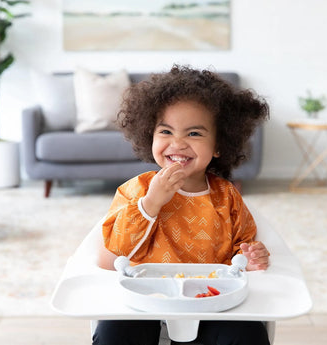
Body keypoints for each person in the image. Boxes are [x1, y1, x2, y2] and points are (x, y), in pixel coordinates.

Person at [93, 65, 270, 345]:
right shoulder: (135, 190)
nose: (177, 143)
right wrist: (150, 203)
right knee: (113, 334)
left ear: (219, 145)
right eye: (165, 131)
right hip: (143, 301)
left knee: (248, 335)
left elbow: (240, 252)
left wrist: (251, 258)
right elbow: (109, 258)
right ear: (149, 135)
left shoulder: (226, 197)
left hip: (209, 302)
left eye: (194, 134)